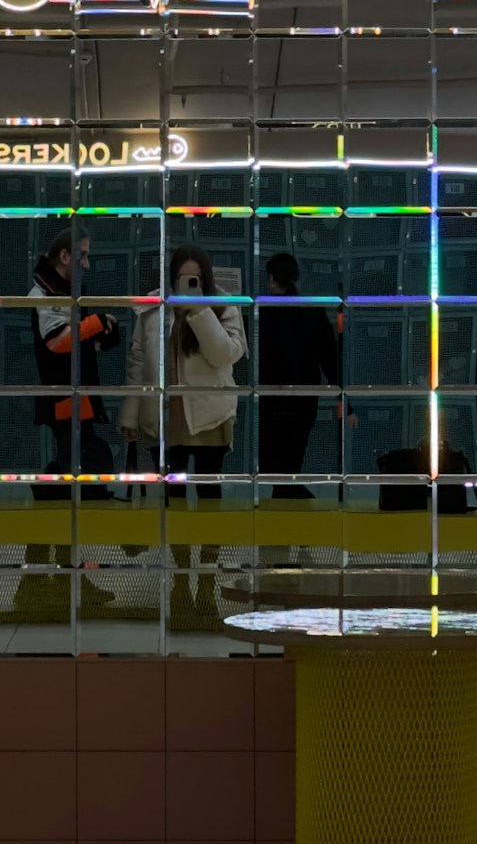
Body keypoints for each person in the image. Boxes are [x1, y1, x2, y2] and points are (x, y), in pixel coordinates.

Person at [119, 244, 246, 628]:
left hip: (210, 415)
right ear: (170, 277)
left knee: (208, 501)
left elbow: (228, 355)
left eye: (195, 278)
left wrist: (199, 311)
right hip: (165, 418)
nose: (188, 284)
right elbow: (138, 360)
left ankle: (205, 582)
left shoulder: (223, 305)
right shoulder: (152, 308)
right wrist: (130, 413)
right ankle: (179, 581)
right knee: (172, 501)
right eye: (181, 278)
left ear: (205, 278)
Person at [23, 227, 122, 617]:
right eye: (81, 255)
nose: (87, 263)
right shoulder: (43, 294)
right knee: (76, 478)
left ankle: (56, 579)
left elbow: (77, 342)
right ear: (64, 256)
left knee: (68, 485)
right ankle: (50, 581)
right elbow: (58, 342)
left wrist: (103, 334)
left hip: (75, 400)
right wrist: (95, 323)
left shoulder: (63, 293)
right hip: (65, 402)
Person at [254, 250, 344, 498]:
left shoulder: (263, 312)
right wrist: (345, 400)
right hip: (304, 399)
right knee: (291, 462)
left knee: (276, 467)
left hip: (271, 398)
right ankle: (292, 507)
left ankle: (290, 507)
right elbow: (329, 358)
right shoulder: (312, 310)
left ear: (271, 278)